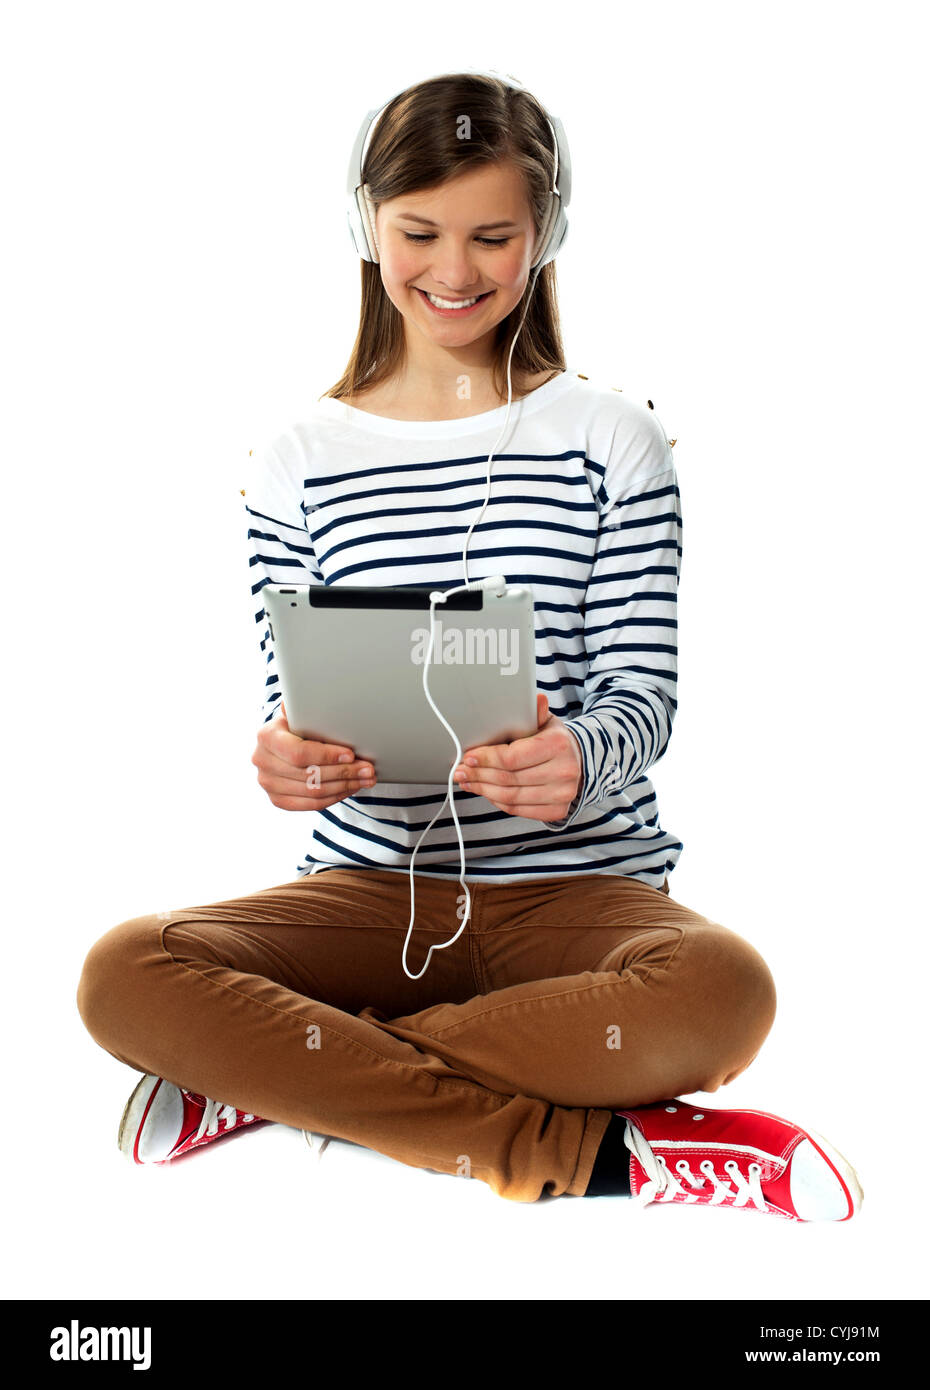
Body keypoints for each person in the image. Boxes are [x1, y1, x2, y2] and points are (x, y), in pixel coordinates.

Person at [76, 71, 863, 1219]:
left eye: (494, 236)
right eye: (420, 233)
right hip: (369, 892)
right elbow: (290, 687)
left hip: (579, 896)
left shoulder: (614, 439)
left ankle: (292, 1074)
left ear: (547, 233)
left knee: (723, 993)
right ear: (366, 227)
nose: (454, 272)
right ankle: (600, 1159)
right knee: (123, 972)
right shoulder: (295, 459)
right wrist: (290, 757)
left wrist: (579, 755)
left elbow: (641, 697)